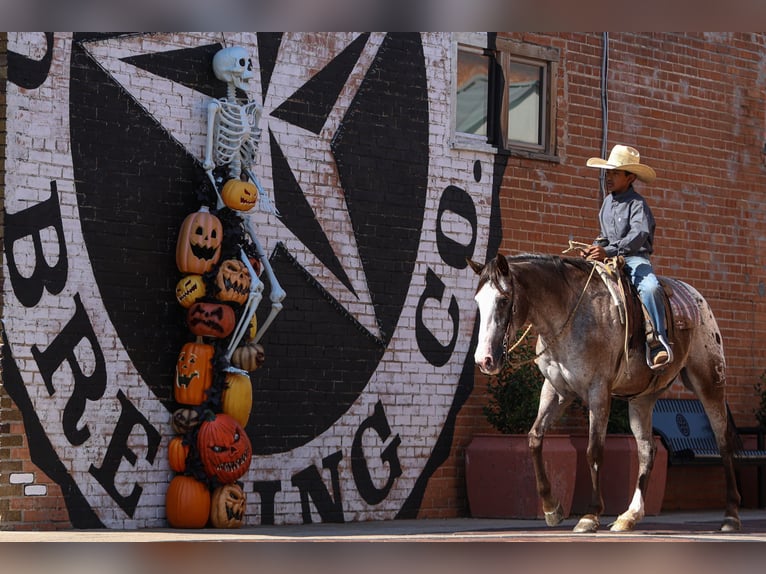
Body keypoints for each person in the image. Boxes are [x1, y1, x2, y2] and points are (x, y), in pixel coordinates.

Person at [581, 144, 672, 369]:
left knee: (650, 288)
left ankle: (657, 341)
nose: (608, 178)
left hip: (634, 259)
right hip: (608, 257)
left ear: (630, 177)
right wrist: (593, 248)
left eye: (615, 173)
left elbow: (638, 235)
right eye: (607, 173)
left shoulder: (638, 204)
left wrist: (609, 251)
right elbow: (605, 236)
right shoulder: (606, 204)